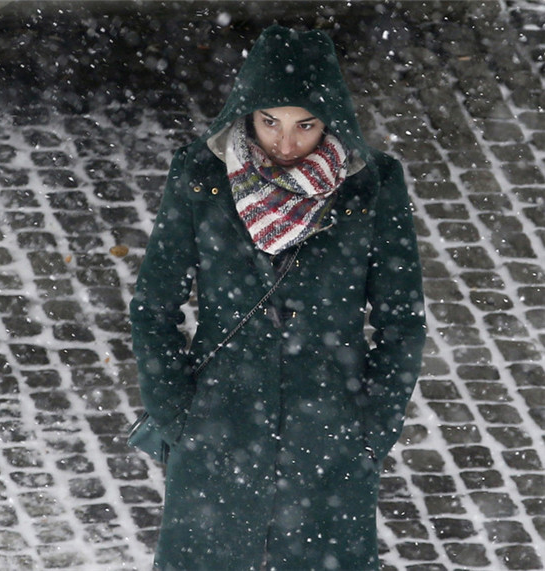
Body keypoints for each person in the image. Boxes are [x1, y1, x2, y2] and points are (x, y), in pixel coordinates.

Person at [129, 24, 427, 570]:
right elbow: (153, 307)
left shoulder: (374, 184)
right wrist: (177, 416)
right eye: (270, 122)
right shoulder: (201, 176)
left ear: (329, 121)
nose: (285, 144)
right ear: (247, 115)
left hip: (330, 435)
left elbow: (402, 319)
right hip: (219, 428)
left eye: (304, 126)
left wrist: (373, 430)